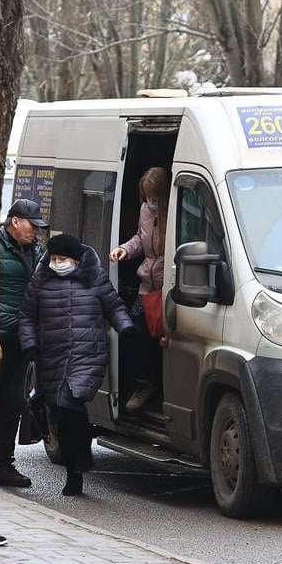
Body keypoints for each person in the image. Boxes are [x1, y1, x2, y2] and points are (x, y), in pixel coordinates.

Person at [20, 233, 135, 496]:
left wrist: (125, 327)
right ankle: (75, 467)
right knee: (60, 412)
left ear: (75, 259)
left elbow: (114, 305)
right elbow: (26, 316)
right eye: (54, 258)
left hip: (88, 353)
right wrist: (30, 345)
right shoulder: (40, 281)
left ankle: (80, 462)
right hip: (51, 354)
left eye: (62, 259)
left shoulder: (94, 277)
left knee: (71, 401)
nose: (57, 263)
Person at [0, 198, 49, 488]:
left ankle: (3, 465)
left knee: (13, 402)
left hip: (21, 340)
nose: (36, 232)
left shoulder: (36, 251)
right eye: (32, 225)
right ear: (15, 222)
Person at [108, 166, 169, 413]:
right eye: (147, 198)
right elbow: (139, 239)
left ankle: (161, 388)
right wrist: (125, 249)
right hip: (147, 288)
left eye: (155, 198)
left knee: (162, 341)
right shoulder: (145, 210)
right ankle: (145, 384)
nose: (151, 202)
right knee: (134, 331)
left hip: (168, 289)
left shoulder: (179, 210)